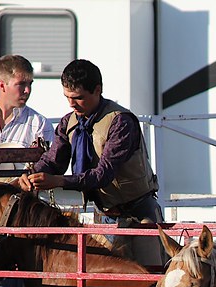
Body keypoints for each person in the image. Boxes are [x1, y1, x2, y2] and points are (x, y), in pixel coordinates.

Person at [17, 59, 164, 267]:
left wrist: (58, 181)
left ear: (97, 90)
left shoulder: (121, 121)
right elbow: (54, 160)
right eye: (67, 97)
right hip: (107, 214)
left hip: (139, 214)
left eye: (78, 98)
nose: (71, 103)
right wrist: (31, 174)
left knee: (150, 275)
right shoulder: (69, 122)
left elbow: (103, 175)